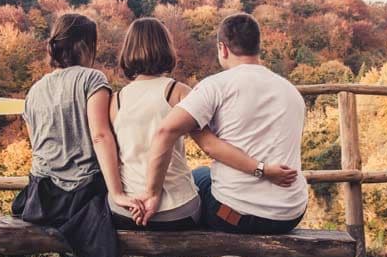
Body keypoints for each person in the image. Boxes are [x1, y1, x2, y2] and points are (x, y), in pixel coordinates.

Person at [141, 13, 307, 240]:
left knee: (197, 178)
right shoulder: (291, 91)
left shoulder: (215, 86)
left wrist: (151, 194)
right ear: (258, 47)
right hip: (290, 214)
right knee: (207, 177)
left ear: (223, 48)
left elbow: (165, 131)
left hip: (236, 216)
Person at [108, 17, 277, 233]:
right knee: (203, 176)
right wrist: (260, 169)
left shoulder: (115, 100)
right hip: (177, 213)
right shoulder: (178, 92)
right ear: (165, 48)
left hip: (126, 211)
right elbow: (210, 143)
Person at [12, 13, 142, 257]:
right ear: (84, 45)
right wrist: (117, 193)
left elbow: (37, 146)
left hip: (42, 197)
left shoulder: (34, 90)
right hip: (79, 196)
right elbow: (100, 135)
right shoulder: (92, 80)